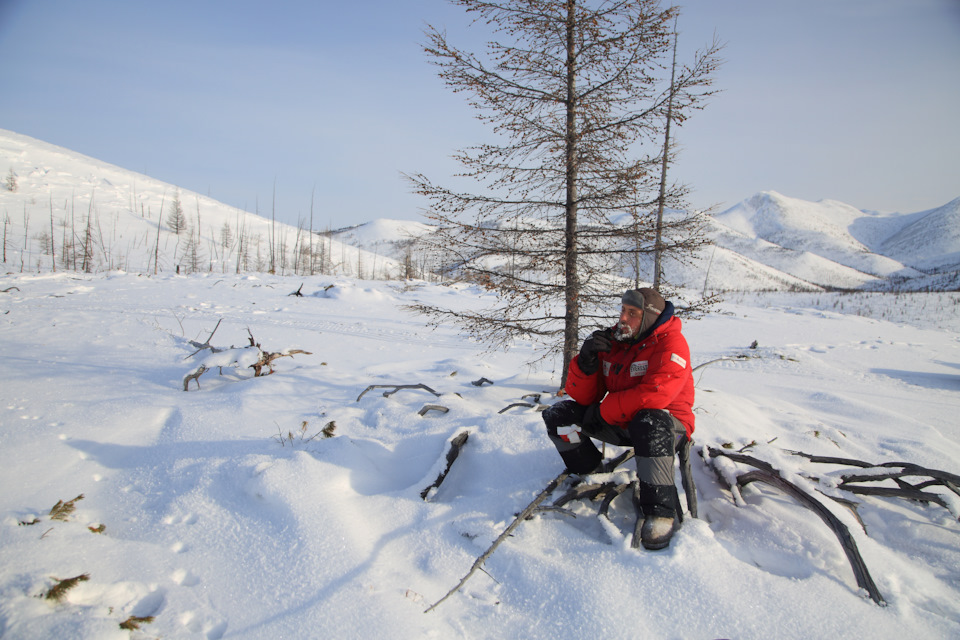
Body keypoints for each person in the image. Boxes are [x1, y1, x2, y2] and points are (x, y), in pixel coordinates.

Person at [542, 288, 695, 550]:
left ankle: (660, 512)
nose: (623, 318)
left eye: (632, 313)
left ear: (649, 318)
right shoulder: (617, 340)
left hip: (670, 428)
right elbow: (584, 397)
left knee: (649, 420)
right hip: (623, 421)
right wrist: (586, 363)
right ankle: (589, 472)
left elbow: (655, 396)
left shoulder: (671, 343)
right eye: (623, 310)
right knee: (560, 416)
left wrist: (602, 412)